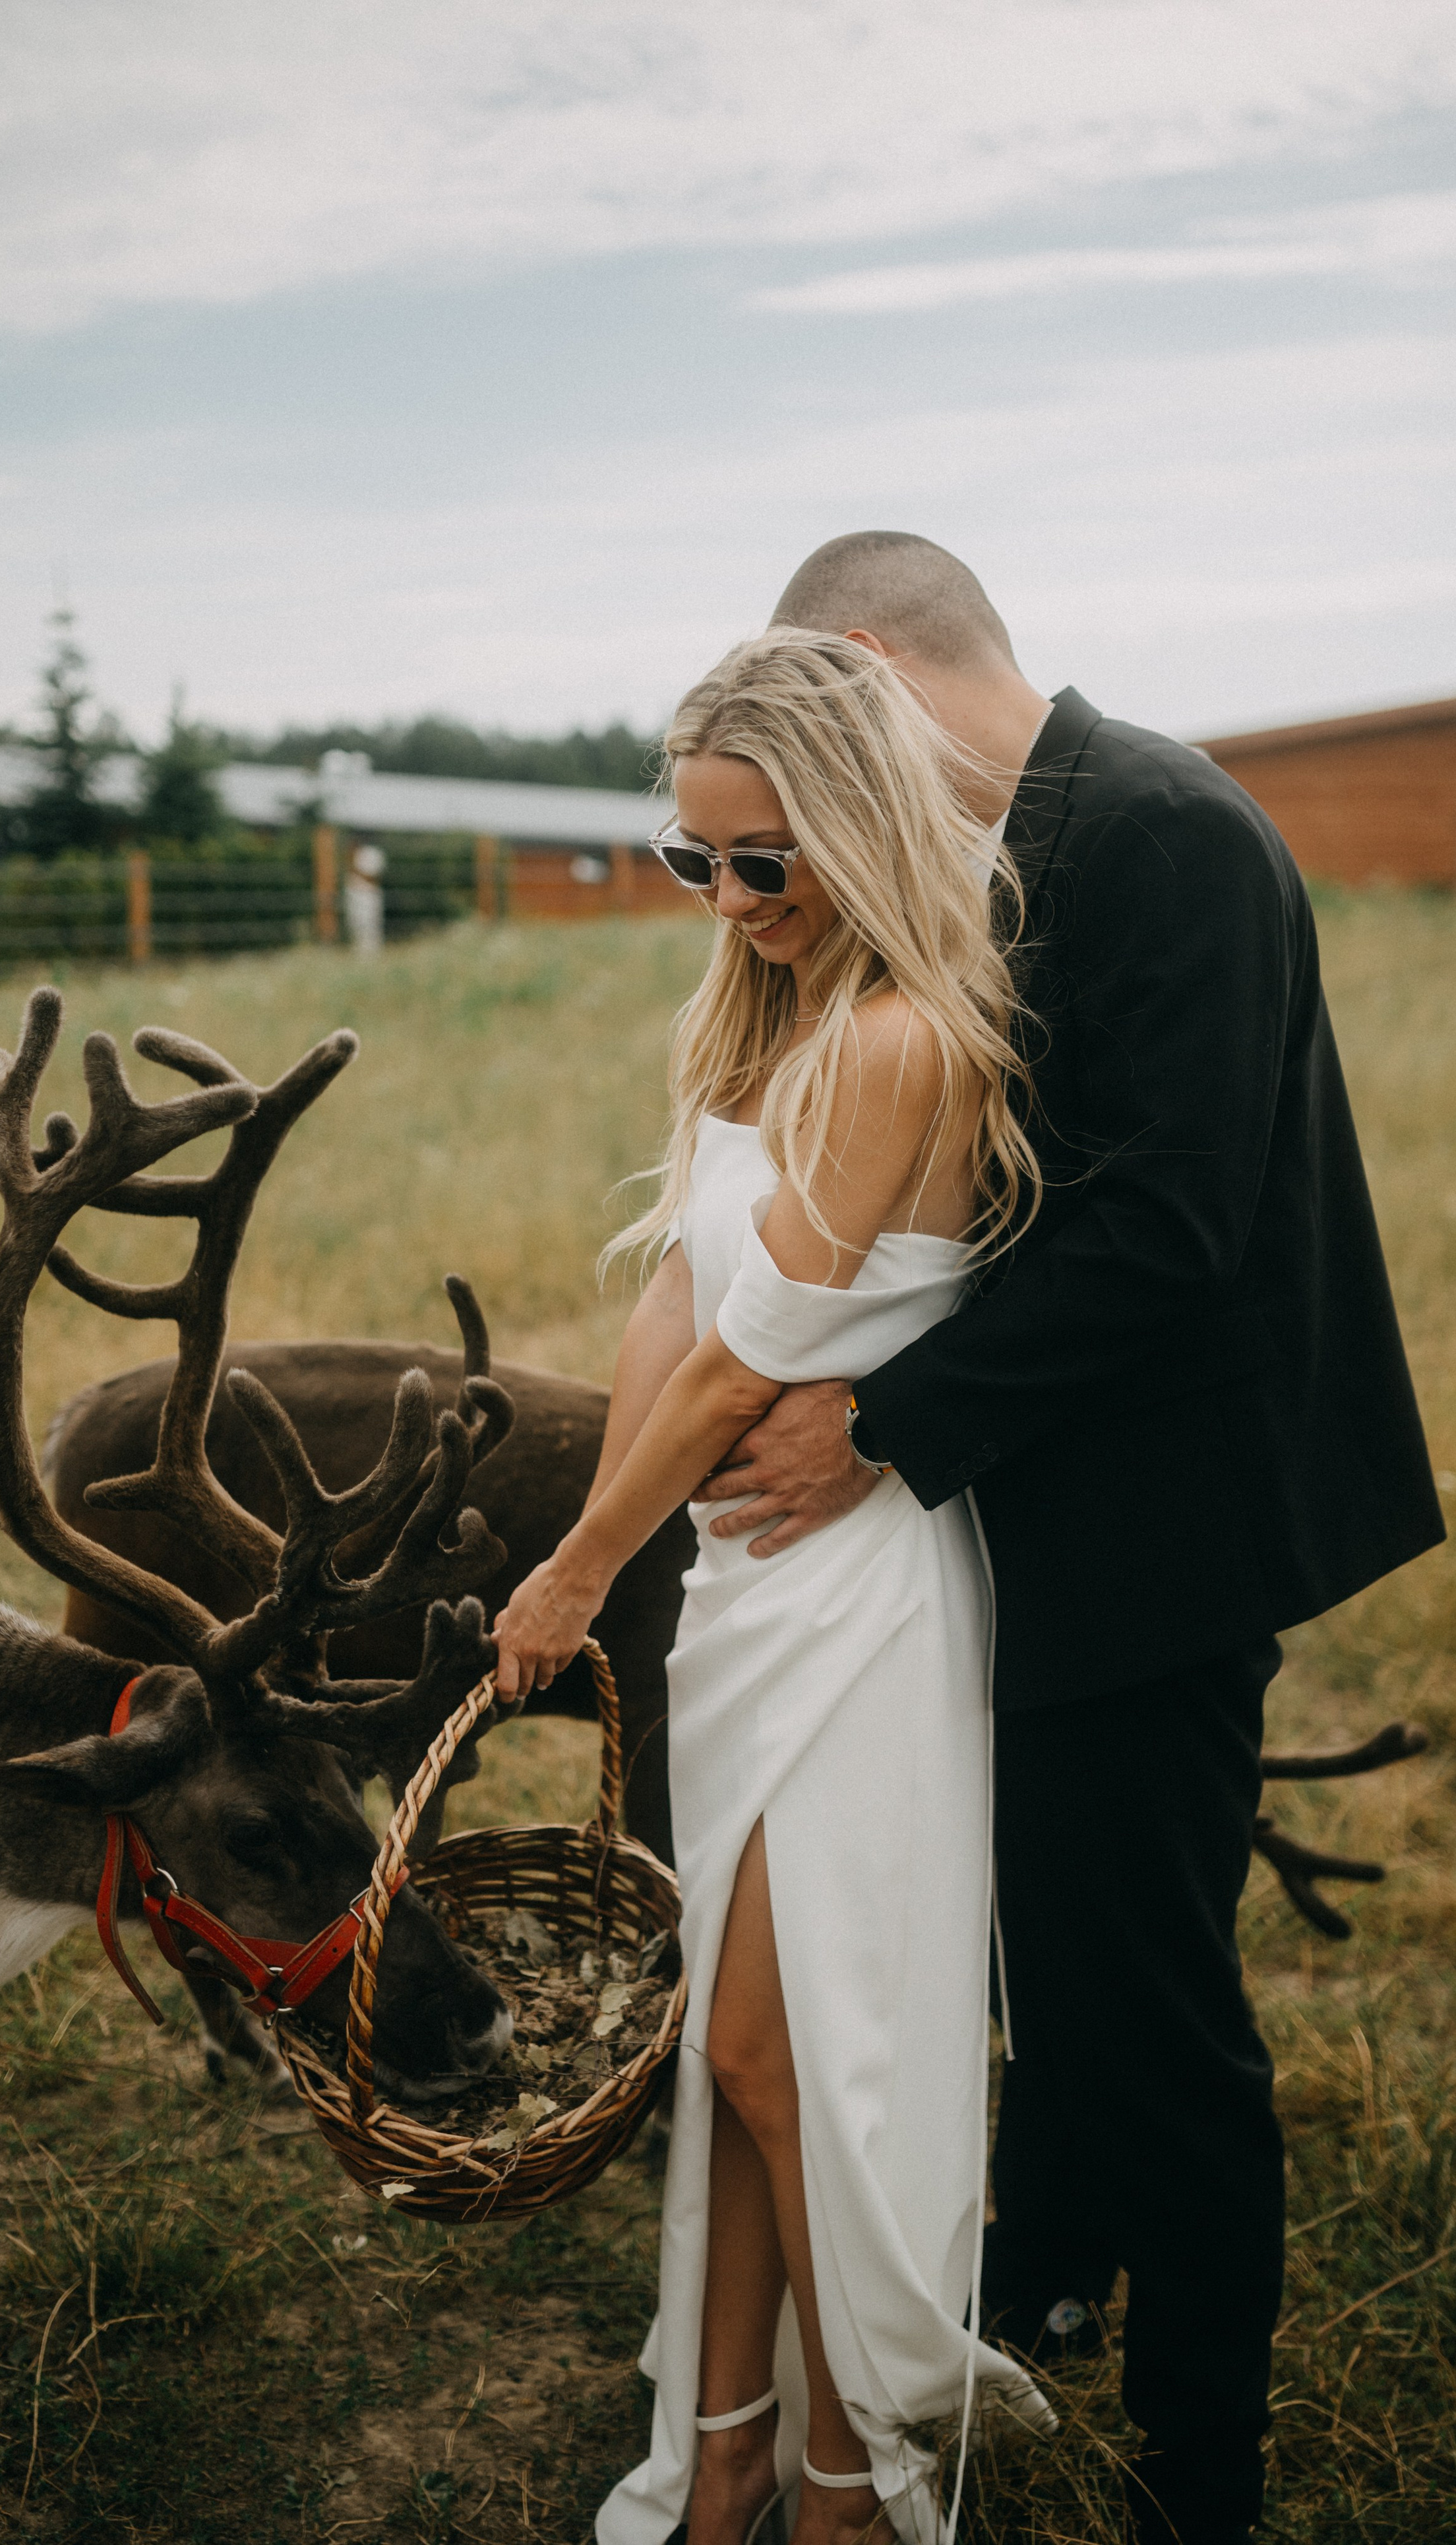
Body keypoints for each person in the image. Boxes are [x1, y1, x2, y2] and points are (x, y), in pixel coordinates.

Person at [671, 534, 1445, 2545]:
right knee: (1040, 1942)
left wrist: (885, 1421)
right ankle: (1036, 2274)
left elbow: (1170, 1228)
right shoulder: (1015, 846)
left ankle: (1205, 2464)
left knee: (1147, 1998)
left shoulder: (1166, 834)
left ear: (859, 666)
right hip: (1032, 1516)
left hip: (1164, 1532)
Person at [494, 626, 1053, 2545]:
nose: (731, 904)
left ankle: (859, 2466)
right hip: (746, 1597)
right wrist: (625, 1541)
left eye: (766, 863)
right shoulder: (766, 1022)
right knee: (741, 2058)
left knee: (776, 2039)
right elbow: (675, 1292)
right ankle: (728, 2442)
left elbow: (747, 1362)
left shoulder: (903, 1038)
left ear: (859, 829)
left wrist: (574, 1568)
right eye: (695, 862)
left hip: (859, 1604)